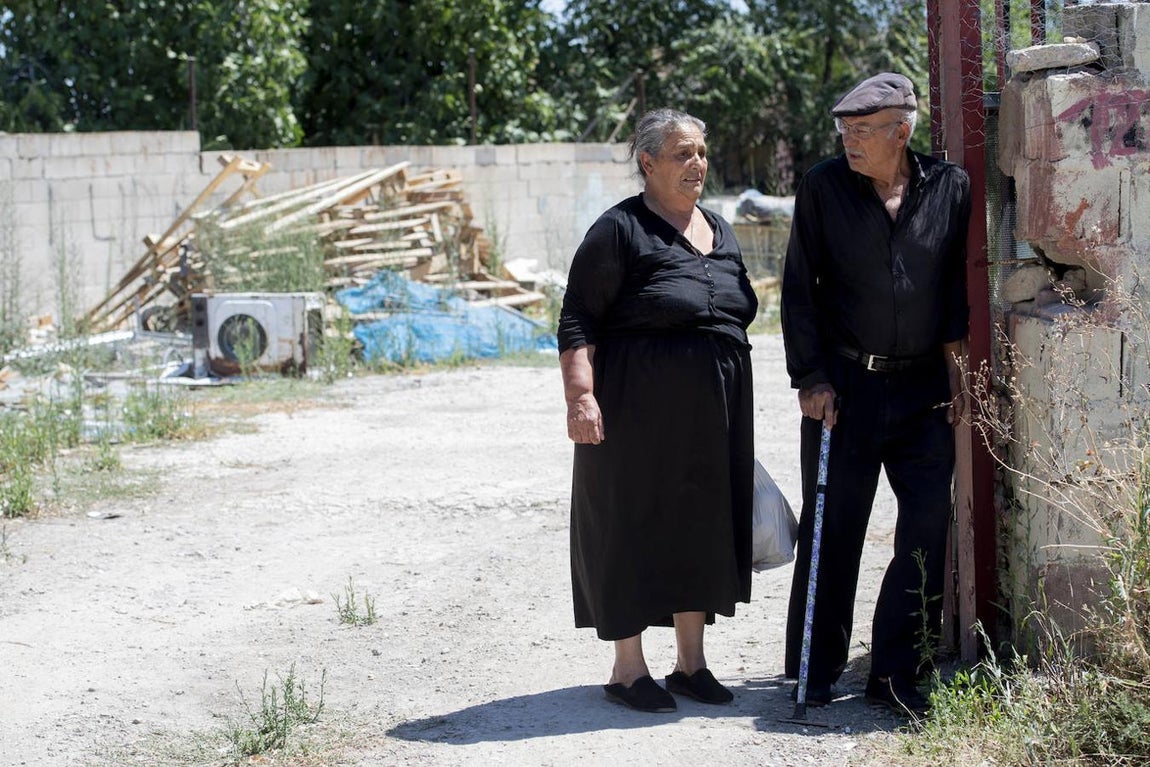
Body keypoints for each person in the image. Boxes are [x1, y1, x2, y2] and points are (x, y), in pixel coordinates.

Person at [780, 72, 971, 716]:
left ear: (903, 130)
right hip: (845, 385)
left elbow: (952, 290)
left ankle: (897, 675)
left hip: (922, 389)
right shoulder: (823, 186)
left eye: (863, 131)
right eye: (845, 131)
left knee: (924, 529)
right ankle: (815, 668)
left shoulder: (950, 187)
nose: (850, 142)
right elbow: (800, 288)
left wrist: (958, 374)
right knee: (834, 527)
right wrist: (809, 377)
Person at [557, 108, 759, 713]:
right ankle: (626, 670)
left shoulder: (719, 228)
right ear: (647, 162)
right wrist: (580, 396)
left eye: (700, 151)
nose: (696, 163)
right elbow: (577, 318)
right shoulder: (620, 229)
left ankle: (690, 665)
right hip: (633, 414)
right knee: (631, 523)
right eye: (681, 153)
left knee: (700, 524)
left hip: (714, 413)